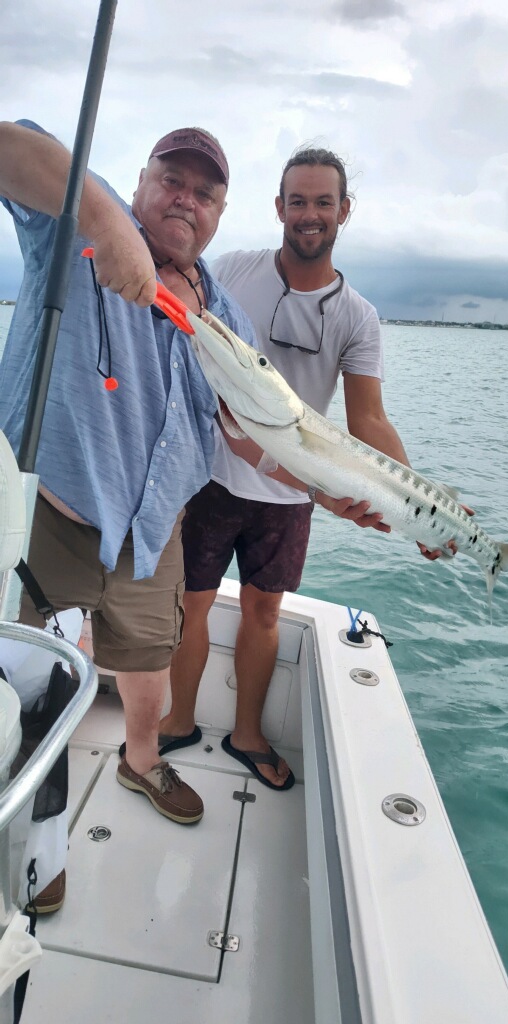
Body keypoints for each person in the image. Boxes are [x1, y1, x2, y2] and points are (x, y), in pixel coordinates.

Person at [0, 119, 259, 858]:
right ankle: (36, 843)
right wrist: (107, 220)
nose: (185, 200)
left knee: (151, 664)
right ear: (141, 182)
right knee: (33, 691)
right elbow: (10, 148)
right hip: (51, 516)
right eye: (170, 180)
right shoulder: (80, 222)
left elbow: (251, 430)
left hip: (155, 532)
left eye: (205, 193)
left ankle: (140, 761)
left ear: (219, 214)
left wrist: (340, 490)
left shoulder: (222, 311)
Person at [160, 146, 458, 791]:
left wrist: (421, 515)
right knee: (193, 604)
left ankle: (246, 733)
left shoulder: (357, 316)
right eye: (298, 201)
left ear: (344, 211)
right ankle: (177, 722)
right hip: (209, 476)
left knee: (265, 613)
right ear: (278, 208)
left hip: (292, 495)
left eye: (324, 202)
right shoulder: (232, 270)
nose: (310, 214)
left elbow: (369, 422)